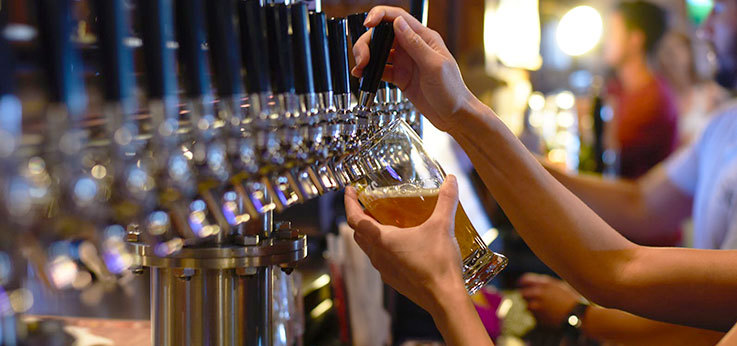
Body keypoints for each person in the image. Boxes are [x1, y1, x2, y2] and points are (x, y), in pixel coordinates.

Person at [346, 4, 737, 345]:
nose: (703, 27)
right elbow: (618, 268)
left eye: (721, 6)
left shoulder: (654, 99)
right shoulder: (723, 125)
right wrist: (459, 112)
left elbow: (622, 272)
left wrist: (442, 290)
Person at [602, 1, 678, 179]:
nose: (606, 41)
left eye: (612, 32)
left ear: (635, 39)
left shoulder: (655, 99)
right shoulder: (615, 87)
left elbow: (610, 150)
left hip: (632, 201)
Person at [656, 31, 728, 145]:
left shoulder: (711, 93)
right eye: (667, 51)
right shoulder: (660, 104)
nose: (672, 56)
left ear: (690, 52)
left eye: (677, 48)